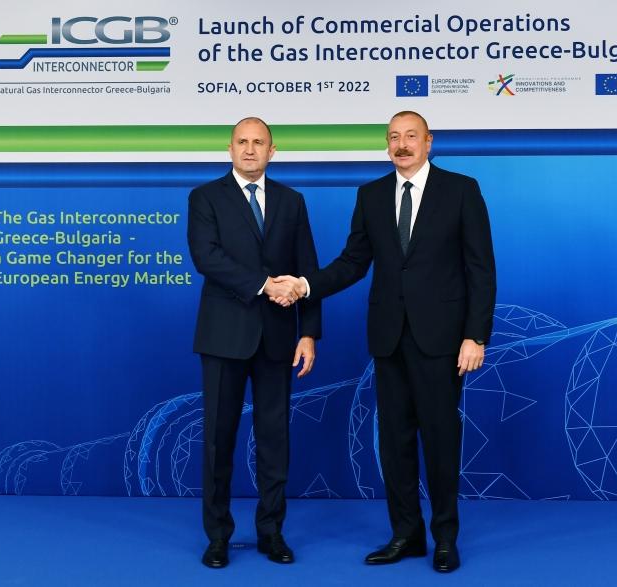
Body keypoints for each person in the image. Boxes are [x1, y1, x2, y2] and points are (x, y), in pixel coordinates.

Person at [273, 111, 495, 573]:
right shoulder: (371, 195)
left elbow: (480, 268)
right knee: (394, 441)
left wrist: (475, 336)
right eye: (394, 137)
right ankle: (406, 535)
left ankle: (445, 539)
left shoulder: (462, 190)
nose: (402, 144)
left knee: (441, 440)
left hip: (442, 339)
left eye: (411, 136)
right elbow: (353, 262)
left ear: (428, 142)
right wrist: (306, 285)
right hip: (388, 338)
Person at [187, 117, 321, 568]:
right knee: (217, 440)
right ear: (229, 148)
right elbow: (207, 258)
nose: (249, 149)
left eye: (258, 142)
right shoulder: (205, 197)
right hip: (223, 336)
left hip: (278, 337)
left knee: (274, 439)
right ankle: (218, 536)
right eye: (242, 142)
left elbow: (308, 268)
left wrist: (308, 332)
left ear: (272, 150)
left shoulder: (292, 201)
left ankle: (271, 532)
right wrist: (266, 285)